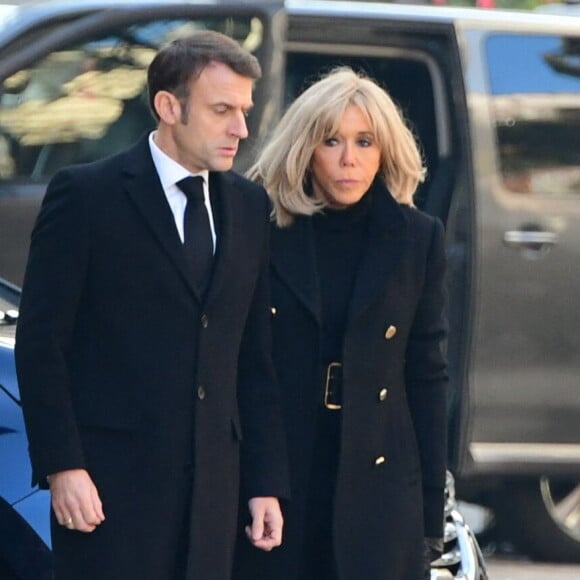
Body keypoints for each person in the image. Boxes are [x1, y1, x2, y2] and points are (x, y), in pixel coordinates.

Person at [15, 31, 289, 580]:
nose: (241, 128)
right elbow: (42, 343)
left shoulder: (249, 204)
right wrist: (63, 467)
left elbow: (254, 359)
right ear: (168, 106)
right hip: (108, 492)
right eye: (221, 110)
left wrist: (266, 485)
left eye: (243, 110)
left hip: (214, 495)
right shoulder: (86, 195)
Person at [234, 67, 448, 579]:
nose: (349, 159)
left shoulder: (417, 238)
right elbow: (241, 364)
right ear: (305, 147)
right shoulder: (261, 229)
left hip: (379, 474)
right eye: (332, 141)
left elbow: (427, 371)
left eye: (364, 141)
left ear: (384, 150)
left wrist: (430, 512)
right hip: (280, 469)